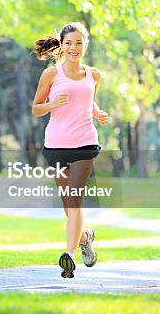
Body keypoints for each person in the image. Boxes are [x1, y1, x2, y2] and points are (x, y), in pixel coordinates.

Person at [31, 21, 109, 278]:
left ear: (85, 44)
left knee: (74, 199)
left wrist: (98, 113)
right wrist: (52, 104)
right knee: (68, 204)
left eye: (79, 43)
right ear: (61, 46)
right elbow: (36, 108)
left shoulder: (93, 75)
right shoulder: (51, 75)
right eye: (69, 43)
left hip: (85, 144)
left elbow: (90, 101)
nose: (74, 48)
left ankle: (69, 255)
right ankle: (85, 238)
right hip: (55, 146)